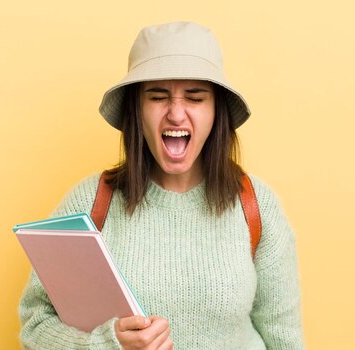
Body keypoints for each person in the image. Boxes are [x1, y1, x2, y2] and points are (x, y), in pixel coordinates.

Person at [18, 21, 305, 350]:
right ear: (137, 110)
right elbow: (35, 324)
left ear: (216, 112)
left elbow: (286, 340)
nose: (176, 114)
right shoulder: (92, 201)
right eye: (157, 97)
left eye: (195, 98)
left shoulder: (256, 206)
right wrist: (106, 344)